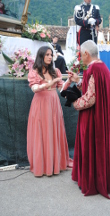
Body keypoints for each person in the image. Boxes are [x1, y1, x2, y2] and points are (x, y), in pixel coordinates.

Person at [67, 40, 110, 199]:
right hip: (104, 116)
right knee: (101, 147)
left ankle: (92, 181)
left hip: (92, 118)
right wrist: (78, 81)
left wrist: (75, 103)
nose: (80, 57)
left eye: (81, 54)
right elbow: (94, 88)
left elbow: (90, 98)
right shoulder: (104, 68)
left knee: (91, 145)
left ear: (86, 54)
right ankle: (102, 178)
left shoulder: (92, 69)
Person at [27, 46, 72, 177]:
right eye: (47, 54)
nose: (50, 57)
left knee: (53, 131)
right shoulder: (34, 72)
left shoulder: (56, 71)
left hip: (54, 104)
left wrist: (69, 80)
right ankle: (42, 166)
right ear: (41, 56)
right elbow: (35, 89)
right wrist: (49, 83)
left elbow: (61, 89)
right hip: (40, 104)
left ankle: (54, 164)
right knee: (41, 132)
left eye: (51, 54)